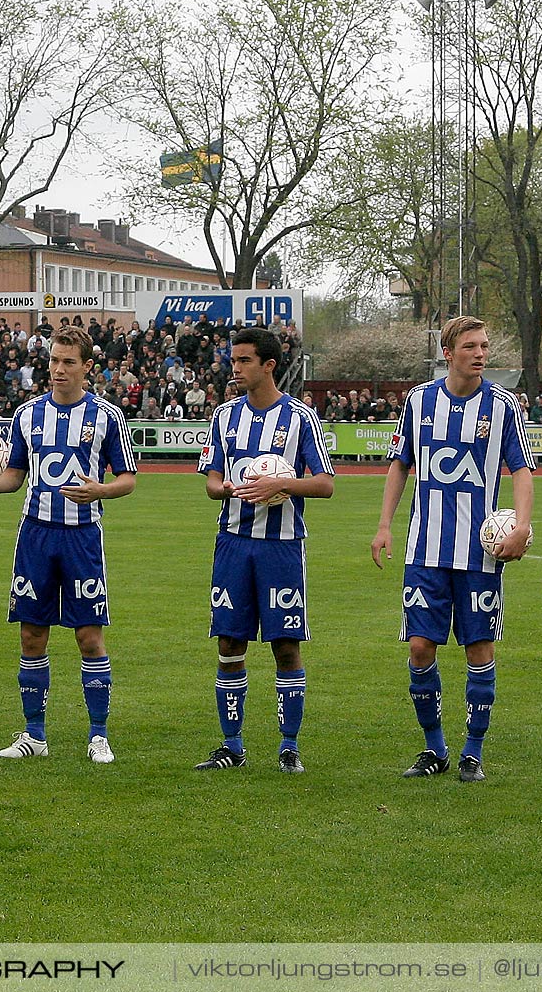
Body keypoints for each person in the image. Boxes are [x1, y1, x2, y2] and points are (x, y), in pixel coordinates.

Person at [0, 326, 137, 764]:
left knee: (88, 636)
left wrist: (101, 491)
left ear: (87, 368)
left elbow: (128, 479)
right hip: (34, 536)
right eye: (54, 361)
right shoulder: (27, 415)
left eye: (68, 362)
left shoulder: (107, 416)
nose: (58, 369)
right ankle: (34, 734)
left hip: (82, 538)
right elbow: (14, 477)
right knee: (31, 634)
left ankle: (98, 735)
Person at [371, 317, 535, 782]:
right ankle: (434, 748)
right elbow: (400, 465)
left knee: (479, 648)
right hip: (425, 550)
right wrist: (385, 525)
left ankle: (473, 751)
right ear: (449, 352)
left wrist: (522, 526)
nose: (481, 353)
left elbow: (521, 470)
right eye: (471, 346)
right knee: (421, 648)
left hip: (481, 553)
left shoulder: (502, 406)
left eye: (484, 346)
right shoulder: (419, 400)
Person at [195, 327, 335, 774]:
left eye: (244, 361)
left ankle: (288, 747)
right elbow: (212, 480)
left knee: (285, 645)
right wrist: (226, 489)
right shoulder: (223, 416)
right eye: (233, 361)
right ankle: (231, 746)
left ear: (269, 365)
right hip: (233, 544)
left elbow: (325, 483)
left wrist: (282, 484)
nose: (235, 368)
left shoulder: (300, 417)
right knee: (230, 642)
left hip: (281, 547)